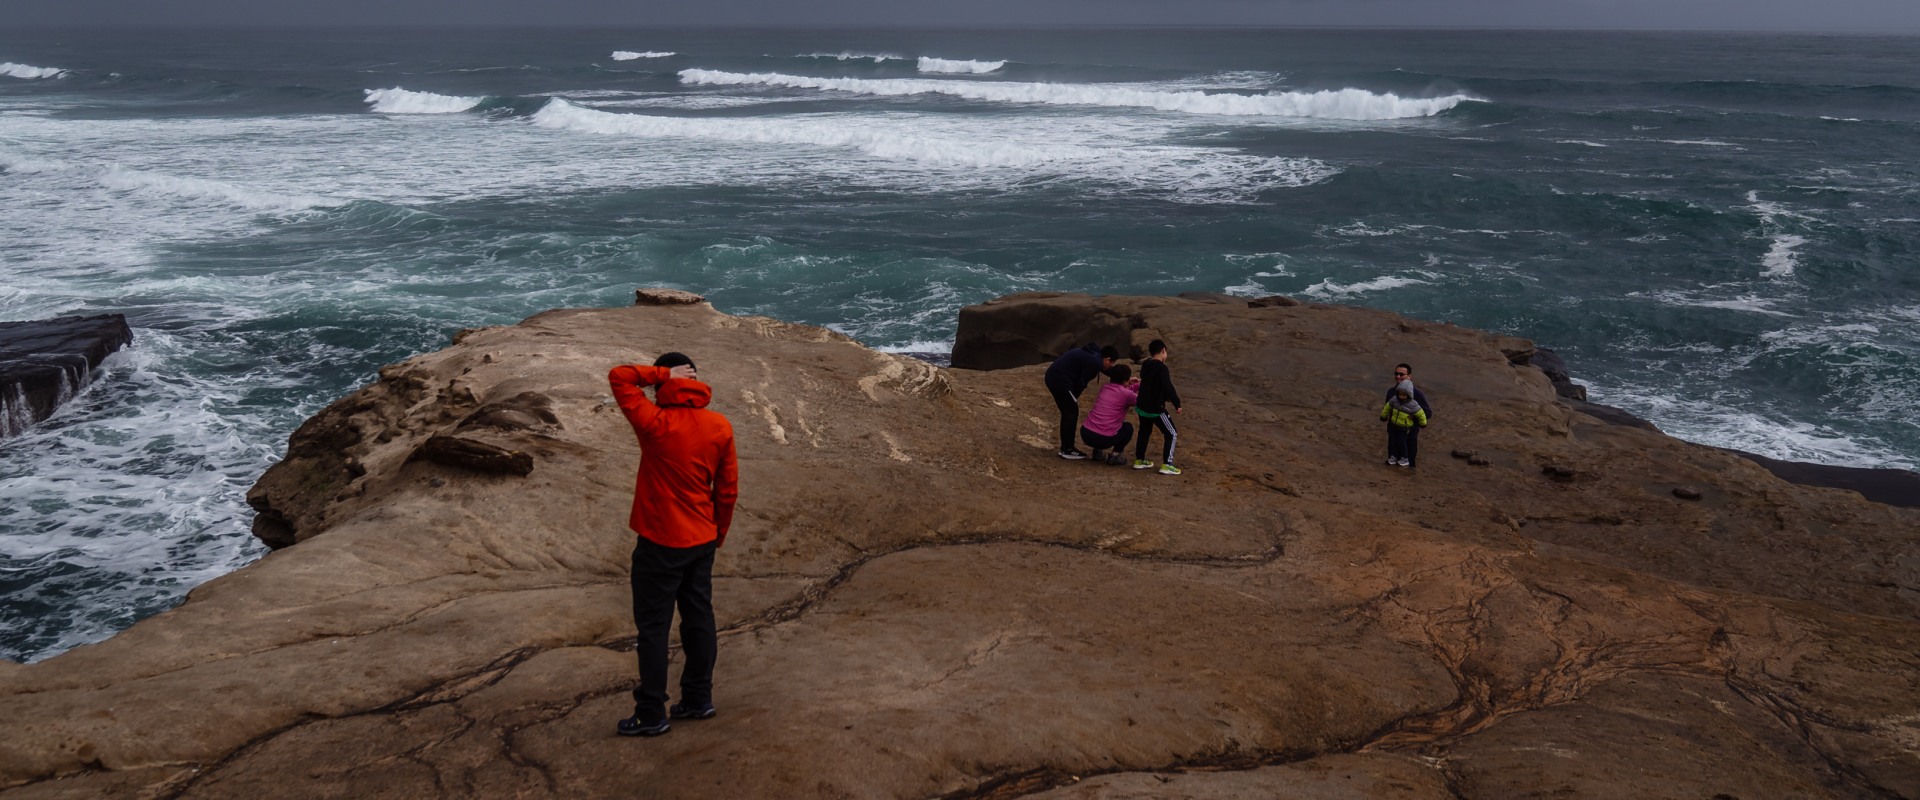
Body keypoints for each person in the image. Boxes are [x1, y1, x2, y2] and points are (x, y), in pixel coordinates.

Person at [607, 352, 740, 738]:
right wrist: (719, 533)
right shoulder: (719, 426)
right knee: (699, 618)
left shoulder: (653, 422)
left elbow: (619, 376)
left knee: (653, 628)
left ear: (663, 383)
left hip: (660, 541)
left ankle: (652, 713)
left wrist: (661, 373)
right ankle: (698, 699)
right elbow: (727, 490)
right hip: (701, 539)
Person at [1044, 343, 1118, 460]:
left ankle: (1066, 448)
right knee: (1071, 413)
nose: (1112, 366)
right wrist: (1074, 397)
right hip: (1060, 381)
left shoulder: (1094, 355)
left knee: (1069, 412)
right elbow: (1081, 383)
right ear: (1108, 359)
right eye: (1112, 363)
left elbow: (1104, 369)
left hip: (1053, 376)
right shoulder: (1095, 362)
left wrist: (1125, 378)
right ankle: (1067, 449)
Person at [1132, 339, 1183, 475]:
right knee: (1171, 433)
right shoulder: (1162, 368)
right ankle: (1167, 464)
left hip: (1142, 406)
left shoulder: (1146, 364)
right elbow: (1168, 386)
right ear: (1163, 351)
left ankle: (1139, 460)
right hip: (1155, 409)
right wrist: (1177, 403)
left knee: (1144, 432)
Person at [1080, 364, 1138, 465]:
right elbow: (1140, 401)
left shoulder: (1105, 387)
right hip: (1104, 439)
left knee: (1102, 420)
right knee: (1127, 428)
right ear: (1126, 379)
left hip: (1086, 433)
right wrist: (1141, 384)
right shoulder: (1126, 394)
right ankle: (1115, 455)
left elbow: (1122, 391)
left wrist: (1130, 384)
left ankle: (1097, 452)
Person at [1386, 364, 1433, 467]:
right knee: (1392, 462)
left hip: (1409, 436)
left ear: (1409, 376)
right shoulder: (1391, 392)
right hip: (1393, 433)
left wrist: (1412, 416)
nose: (1398, 376)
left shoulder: (1417, 394)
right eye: (1396, 373)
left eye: (1401, 374)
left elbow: (1428, 413)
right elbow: (1387, 409)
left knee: (1408, 466)